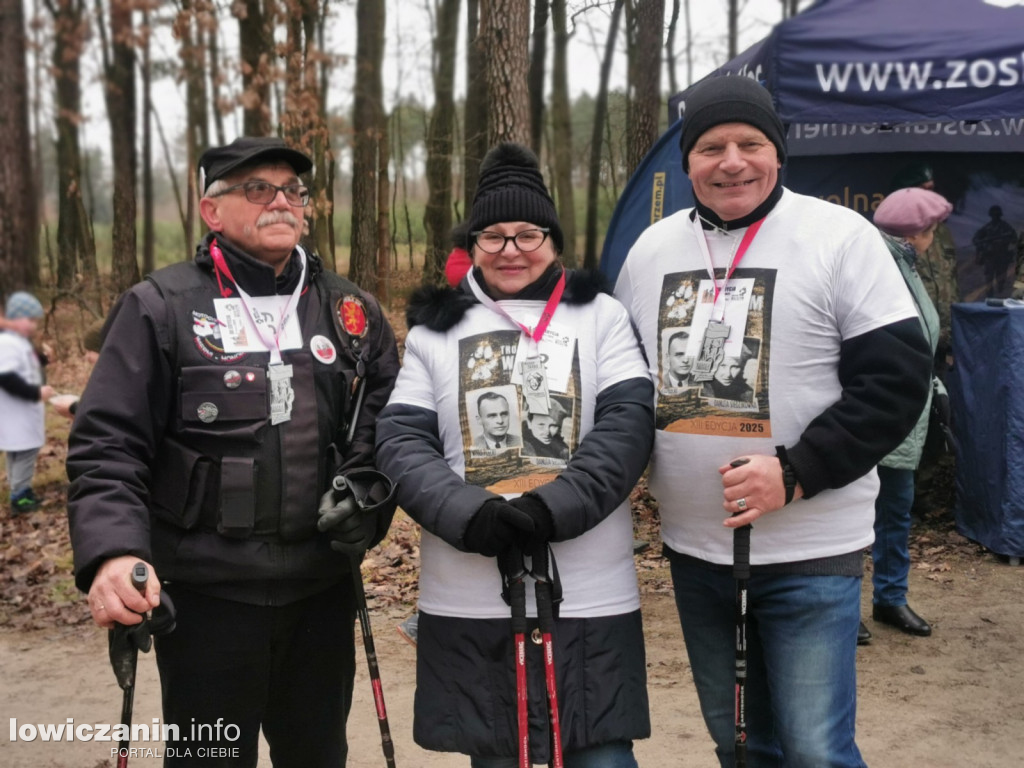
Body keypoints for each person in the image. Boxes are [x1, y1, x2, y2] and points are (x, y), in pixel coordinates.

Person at [614, 76, 931, 767]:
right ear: (687, 160)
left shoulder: (838, 236)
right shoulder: (649, 254)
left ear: (777, 153)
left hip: (811, 549)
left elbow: (897, 380)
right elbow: (624, 386)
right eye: (711, 147)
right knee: (741, 745)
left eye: (750, 143)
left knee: (816, 752)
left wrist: (795, 473)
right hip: (697, 552)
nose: (732, 161)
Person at [66, 136, 400, 767]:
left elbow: (385, 426)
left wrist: (368, 495)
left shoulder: (349, 310)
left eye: (293, 191)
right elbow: (107, 443)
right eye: (258, 189)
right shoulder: (160, 307)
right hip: (205, 600)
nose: (282, 202)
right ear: (211, 211)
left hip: (320, 594)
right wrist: (113, 551)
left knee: (318, 755)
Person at [376, 142, 655, 767]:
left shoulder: (602, 317)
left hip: (589, 586)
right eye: (492, 235)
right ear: (471, 243)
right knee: (499, 754)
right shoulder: (434, 331)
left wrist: (554, 508)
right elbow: (401, 442)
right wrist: (473, 517)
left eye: (527, 233)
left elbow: (627, 424)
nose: (510, 249)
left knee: (601, 755)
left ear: (553, 239)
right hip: (471, 587)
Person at [868, 187, 953, 640]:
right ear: (915, 233)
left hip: (905, 414)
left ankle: (890, 599)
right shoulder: (872, 265)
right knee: (850, 514)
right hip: (867, 414)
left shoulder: (905, 264)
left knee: (895, 510)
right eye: (931, 232)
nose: (932, 240)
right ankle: (842, 605)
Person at [1, 292, 55, 515]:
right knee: (24, 452)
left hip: (20, 415)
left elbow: (28, 364)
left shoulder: (18, 342)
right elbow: (6, 377)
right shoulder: (7, 343)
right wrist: (36, 392)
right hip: (17, 414)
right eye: (30, 320)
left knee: (17, 452)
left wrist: (44, 359)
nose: (33, 326)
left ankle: (19, 489)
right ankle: (20, 497)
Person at [50, 318, 105, 419]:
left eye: (89, 351)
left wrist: (73, 408)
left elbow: (107, 414)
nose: (87, 357)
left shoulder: (120, 379)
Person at [972, 204, 1018, 297]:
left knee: (1001, 277)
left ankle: (1000, 291)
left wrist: (1004, 241)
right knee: (989, 277)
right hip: (990, 256)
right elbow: (976, 239)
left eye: (997, 215)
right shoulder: (987, 227)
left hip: (1002, 256)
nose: (995, 217)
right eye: (994, 215)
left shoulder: (1006, 227)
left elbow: (1014, 239)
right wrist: (982, 243)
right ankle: (990, 294)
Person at [700, 340, 757, 404]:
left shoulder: (748, 394)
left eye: (735, 367)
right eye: (722, 365)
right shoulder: (699, 389)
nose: (728, 374)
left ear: (742, 368)